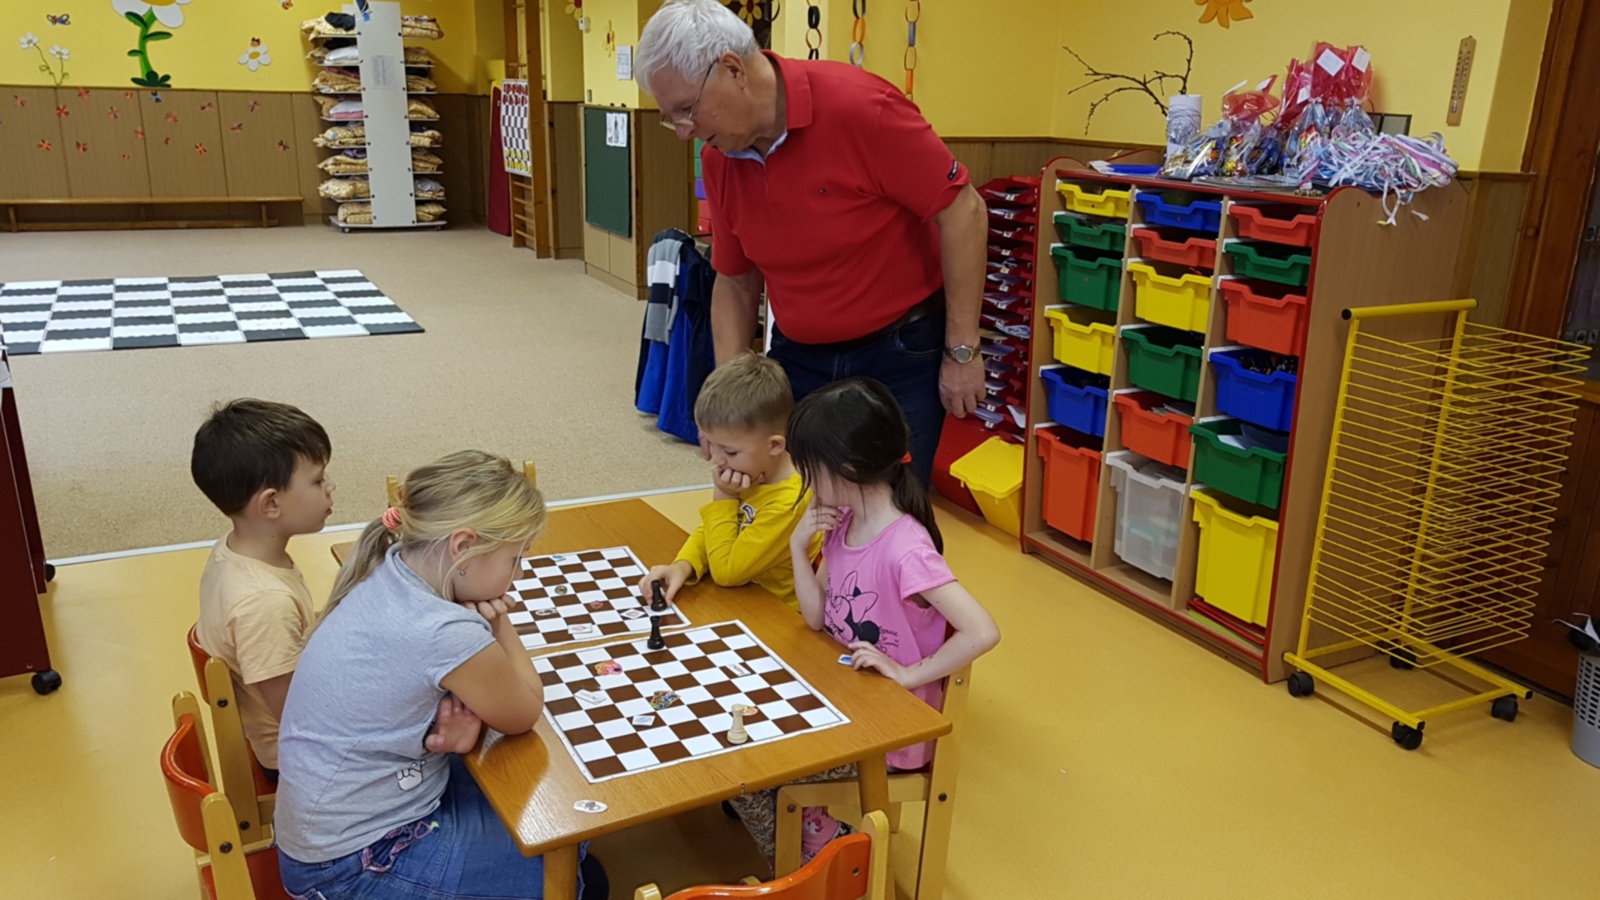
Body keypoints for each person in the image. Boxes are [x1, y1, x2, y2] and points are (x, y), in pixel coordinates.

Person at [634, 0, 989, 487]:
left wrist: (962, 350)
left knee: (889, 508)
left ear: (733, 70)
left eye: (686, 110)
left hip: (898, 350)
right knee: (792, 499)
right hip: (798, 352)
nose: (682, 132)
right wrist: (729, 401)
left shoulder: (861, 107)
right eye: (670, 117)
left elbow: (964, 210)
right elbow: (735, 280)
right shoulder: (721, 157)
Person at [274, 451, 606, 900]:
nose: (519, 573)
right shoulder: (445, 630)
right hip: (349, 867)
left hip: (324, 832)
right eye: (515, 558)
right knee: (568, 855)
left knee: (555, 821)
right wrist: (498, 621)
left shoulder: (392, 562)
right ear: (463, 547)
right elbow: (525, 711)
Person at [726, 377, 1001, 863]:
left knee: (752, 776)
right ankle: (815, 843)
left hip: (889, 735)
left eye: (811, 470)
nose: (806, 482)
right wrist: (798, 547)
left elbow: (983, 630)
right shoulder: (844, 522)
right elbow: (817, 618)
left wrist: (909, 674)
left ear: (848, 468)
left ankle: (810, 863)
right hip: (843, 701)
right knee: (742, 754)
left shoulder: (905, 549)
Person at [190, 399, 335, 781]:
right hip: (299, 760)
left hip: (297, 718)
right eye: (318, 480)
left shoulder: (235, 552)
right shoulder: (264, 603)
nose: (330, 487)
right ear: (271, 503)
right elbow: (303, 719)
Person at [639, 352, 819, 611]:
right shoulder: (754, 470)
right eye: (711, 444)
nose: (717, 459)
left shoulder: (789, 502)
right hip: (739, 599)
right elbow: (718, 529)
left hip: (774, 614)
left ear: (774, 446)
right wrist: (683, 565)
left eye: (730, 451)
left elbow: (725, 572)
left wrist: (724, 495)